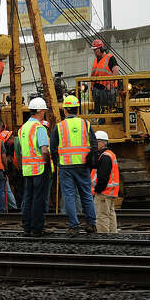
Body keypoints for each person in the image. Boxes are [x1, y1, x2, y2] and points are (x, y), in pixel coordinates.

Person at [51, 94, 97, 235]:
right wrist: (90, 160)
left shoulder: (59, 127)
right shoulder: (85, 124)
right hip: (83, 165)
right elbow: (94, 145)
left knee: (69, 196)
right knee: (86, 194)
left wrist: (58, 162)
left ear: (65, 110)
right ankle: (91, 224)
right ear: (77, 109)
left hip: (66, 166)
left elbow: (53, 148)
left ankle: (74, 226)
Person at [16, 97, 52, 237]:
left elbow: (19, 150)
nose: (44, 113)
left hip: (27, 169)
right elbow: (44, 150)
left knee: (28, 197)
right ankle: (37, 228)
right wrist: (48, 164)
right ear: (40, 111)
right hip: (39, 168)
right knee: (39, 198)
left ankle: (27, 226)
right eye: (43, 111)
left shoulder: (23, 128)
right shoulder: (39, 128)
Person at [91, 130, 120, 234]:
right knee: (110, 214)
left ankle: (103, 237)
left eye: (96, 142)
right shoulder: (110, 154)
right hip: (110, 192)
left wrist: (98, 190)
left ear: (103, 143)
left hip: (103, 192)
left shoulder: (105, 157)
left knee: (102, 215)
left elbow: (103, 177)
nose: (94, 144)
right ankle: (113, 235)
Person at [90, 39, 119, 112]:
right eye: (94, 50)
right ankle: (99, 120)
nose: (94, 52)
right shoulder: (95, 61)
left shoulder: (110, 58)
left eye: (95, 50)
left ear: (101, 49)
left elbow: (116, 71)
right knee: (98, 109)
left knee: (107, 108)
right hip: (97, 89)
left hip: (107, 89)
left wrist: (111, 84)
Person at [0, 129, 19, 211]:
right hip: (18, 169)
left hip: (21, 169)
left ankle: (14, 207)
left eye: (6, 142)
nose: (6, 144)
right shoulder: (13, 144)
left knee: (8, 190)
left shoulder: (17, 143)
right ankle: (14, 206)